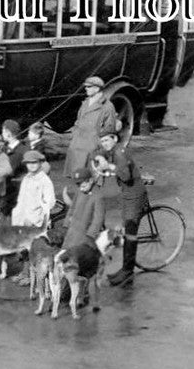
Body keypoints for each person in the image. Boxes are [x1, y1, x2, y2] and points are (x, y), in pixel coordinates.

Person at [94, 129, 148, 287]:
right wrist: (99, 158)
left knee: (130, 233)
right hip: (127, 194)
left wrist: (110, 166)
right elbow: (99, 153)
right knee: (126, 230)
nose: (104, 144)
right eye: (102, 141)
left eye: (107, 140)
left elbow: (126, 176)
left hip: (134, 195)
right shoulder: (114, 150)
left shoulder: (119, 153)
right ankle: (125, 268)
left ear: (115, 139)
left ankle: (128, 272)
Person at [65, 76, 117, 178]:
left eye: (89, 87)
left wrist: (99, 145)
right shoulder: (85, 103)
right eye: (86, 86)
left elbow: (109, 130)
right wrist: (75, 134)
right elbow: (78, 120)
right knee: (76, 176)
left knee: (89, 177)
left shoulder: (107, 106)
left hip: (92, 146)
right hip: (77, 142)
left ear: (97, 88)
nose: (86, 89)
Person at [60, 167, 106, 250]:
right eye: (78, 185)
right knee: (65, 251)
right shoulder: (79, 191)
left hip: (85, 232)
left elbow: (98, 219)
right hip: (73, 229)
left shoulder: (98, 196)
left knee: (78, 253)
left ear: (91, 180)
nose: (81, 188)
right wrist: (66, 225)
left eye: (83, 186)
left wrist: (90, 236)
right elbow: (72, 208)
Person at [12, 150, 55, 228]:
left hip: (36, 221)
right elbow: (21, 199)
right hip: (21, 218)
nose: (31, 165)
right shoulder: (26, 178)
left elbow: (49, 203)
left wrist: (35, 220)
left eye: (34, 162)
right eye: (28, 163)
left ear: (40, 163)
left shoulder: (44, 181)